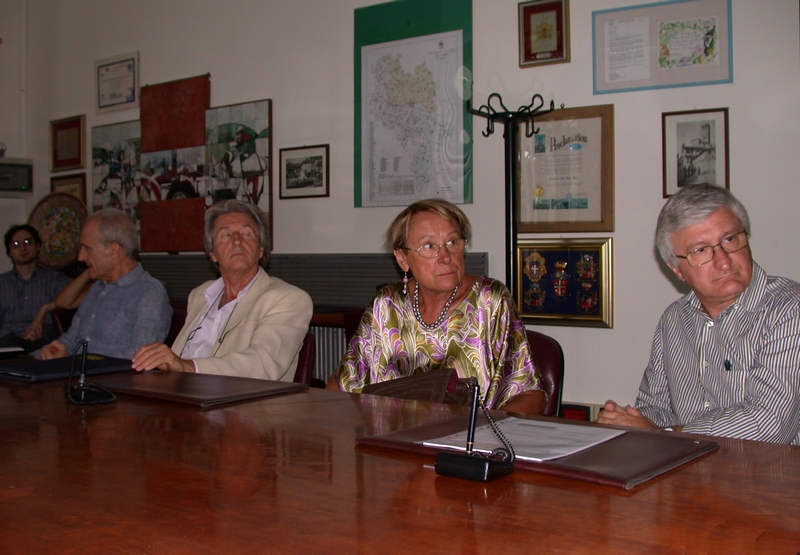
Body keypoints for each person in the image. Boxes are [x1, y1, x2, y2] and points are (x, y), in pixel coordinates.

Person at [597, 184, 800, 444]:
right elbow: (657, 408)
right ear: (677, 270)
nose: (724, 261)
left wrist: (666, 434)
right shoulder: (675, 318)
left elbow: (769, 425)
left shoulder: (788, 309)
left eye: (730, 239)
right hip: (689, 474)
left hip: (769, 478)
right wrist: (626, 421)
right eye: (700, 250)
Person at [326, 199, 545, 414]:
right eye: (429, 246)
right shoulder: (387, 304)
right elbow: (342, 385)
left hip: (466, 442)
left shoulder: (490, 300)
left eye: (452, 242)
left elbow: (530, 394)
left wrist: (481, 435)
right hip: (392, 440)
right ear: (403, 258)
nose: (446, 257)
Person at [131, 200, 313, 381]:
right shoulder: (200, 295)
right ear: (212, 253)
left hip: (244, 406)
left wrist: (187, 367)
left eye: (247, 234)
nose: (237, 241)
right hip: (182, 397)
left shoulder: (288, 298)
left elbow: (263, 364)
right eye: (226, 235)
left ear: (260, 250)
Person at [39, 209, 172, 360]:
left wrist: (71, 360)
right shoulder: (99, 287)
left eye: (87, 249)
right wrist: (43, 355)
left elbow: (138, 357)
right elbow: (70, 340)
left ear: (114, 251)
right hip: (78, 376)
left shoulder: (149, 292)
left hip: (112, 381)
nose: (81, 257)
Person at [0, 224, 71, 351]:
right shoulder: (2, 283)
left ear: (38, 246)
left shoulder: (53, 280)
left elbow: (85, 293)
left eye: (28, 242)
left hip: (43, 343)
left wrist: (48, 307)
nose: (23, 248)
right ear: (10, 252)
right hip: (8, 344)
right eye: (16, 244)